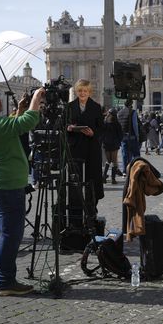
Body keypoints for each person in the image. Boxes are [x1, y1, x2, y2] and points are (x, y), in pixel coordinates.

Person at [0, 85, 45, 295]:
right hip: (7, 187)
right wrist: (37, 99)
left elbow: (11, 125)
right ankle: (5, 282)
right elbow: (29, 122)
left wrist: (19, 110)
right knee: (10, 235)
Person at [66, 79, 104, 228]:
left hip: (91, 149)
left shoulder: (96, 107)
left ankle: (91, 211)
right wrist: (69, 128)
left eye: (85, 91)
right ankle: (75, 214)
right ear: (76, 91)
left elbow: (101, 129)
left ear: (89, 92)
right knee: (75, 181)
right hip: (75, 149)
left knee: (91, 181)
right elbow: (64, 125)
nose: (82, 93)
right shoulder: (69, 107)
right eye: (80, 91)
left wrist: (93, 132)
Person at [117, 99, 141, 173]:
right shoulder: (133, 112)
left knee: (125, 155)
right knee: (136, 154)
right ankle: (137, 169)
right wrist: (137, 135)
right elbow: (135, 125)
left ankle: (125, 171)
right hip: (132, 136)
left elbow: (118, 126)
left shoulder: (119, 113)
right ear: (131, 104)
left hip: (123, 137)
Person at [102, 108, 123, 184]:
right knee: (114, 161)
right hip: (114, 144)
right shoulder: (117, 124)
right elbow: (120, 135)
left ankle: (104, 177)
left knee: (108, 161)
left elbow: (102, 133)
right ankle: (113, 179)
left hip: (106, 144)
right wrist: (118, 141)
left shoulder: (105, 123)